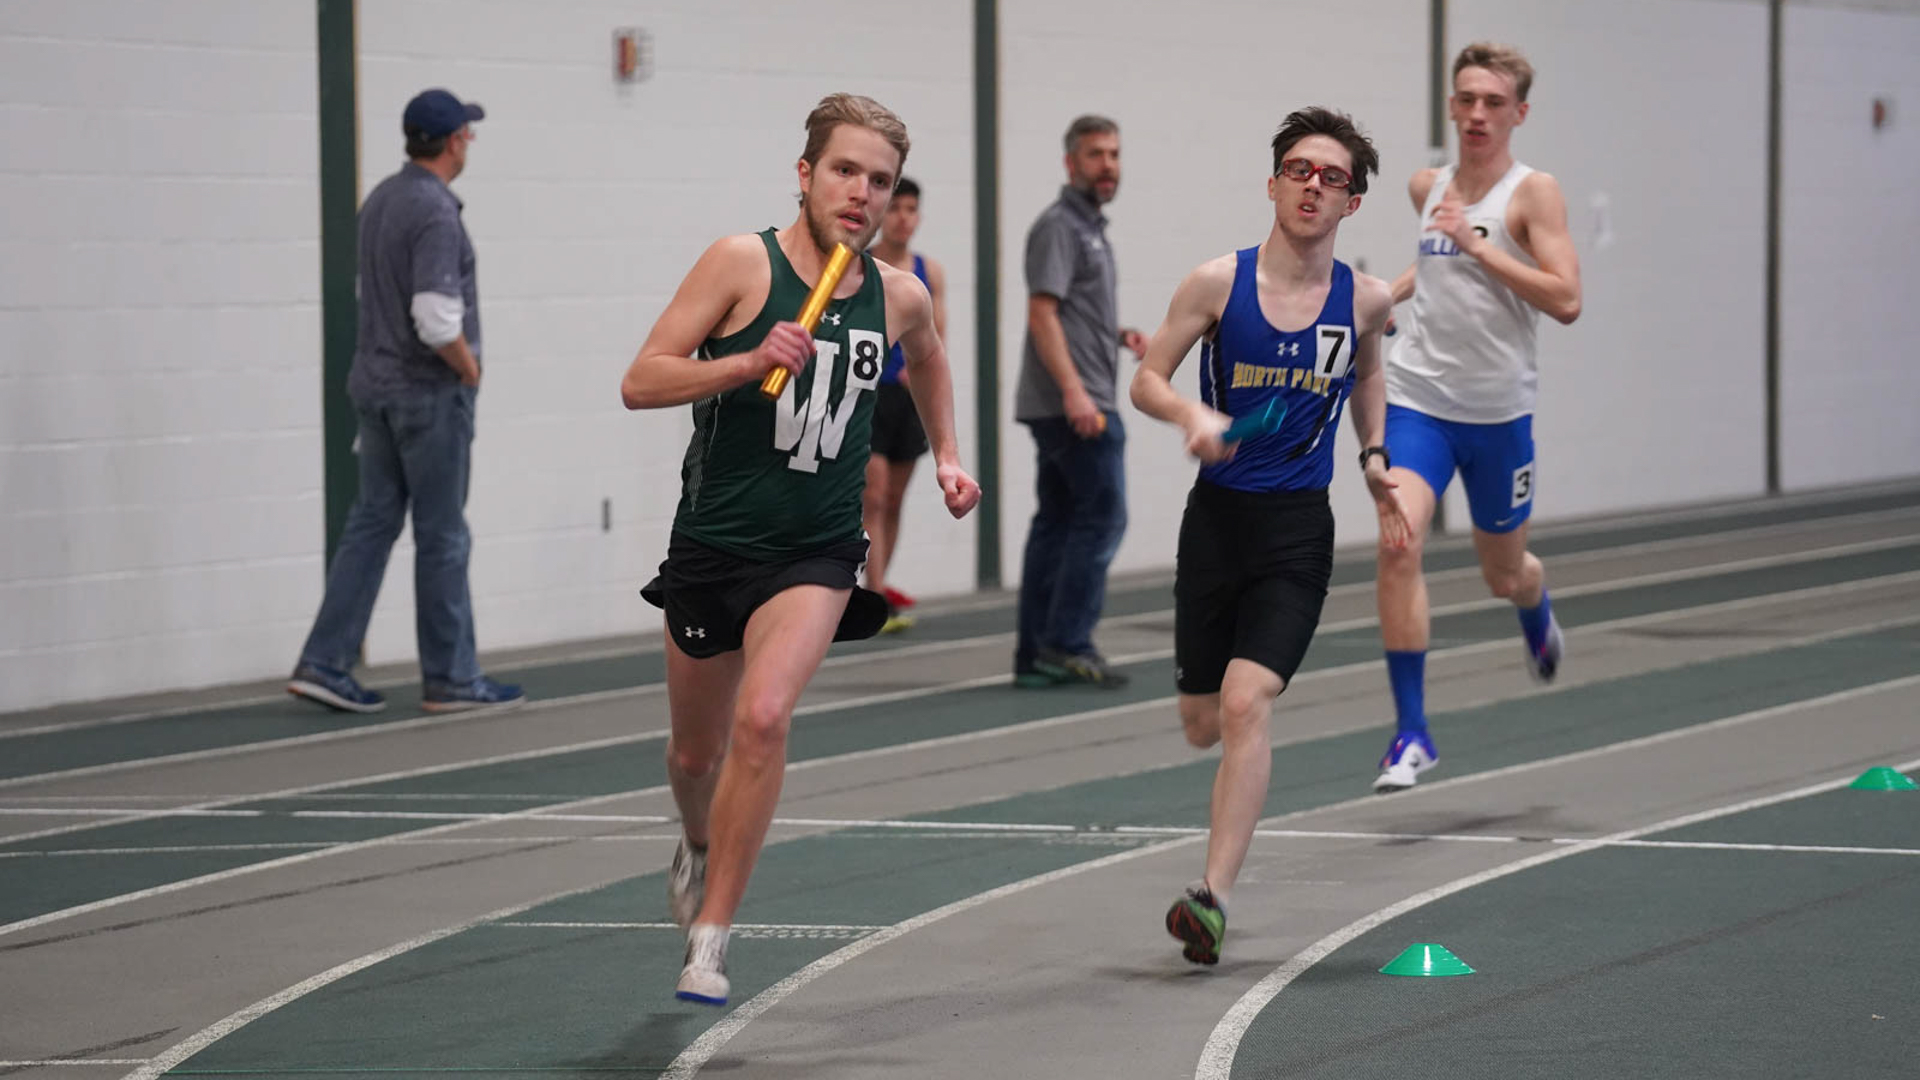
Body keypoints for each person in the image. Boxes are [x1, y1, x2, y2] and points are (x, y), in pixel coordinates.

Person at [619, 93, 981, 1006]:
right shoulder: (742, 264)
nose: (862, 194)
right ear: (806, 174)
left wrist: (947, 455)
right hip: (714, 543)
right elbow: (641, 380)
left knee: (766, 719)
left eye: (881, 181)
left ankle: (712, 940)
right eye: (846, 172)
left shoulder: (898, 293)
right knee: (694, 758)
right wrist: (743, 361)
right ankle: (698, 843)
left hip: (816, 550)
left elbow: (930, 356)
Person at [1132, 106, 1408, 965]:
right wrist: (1190, 411)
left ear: (1352, 203)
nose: (1312, 186)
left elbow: (1368, 372)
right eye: (1299, 170)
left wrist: (1372, 455)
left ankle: (1211, 897)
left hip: (1297, 530)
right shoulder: (1217, 283)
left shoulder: (1361, 298)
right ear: (1273, 183)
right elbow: (1145, 379)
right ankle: (1212, 838)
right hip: (1215, 524)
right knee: (1201, 721)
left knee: (1249, 704)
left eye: (1331, 178)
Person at [1372, 42, 1583, 793]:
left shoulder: (1534, 194)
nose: (1476, 114)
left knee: (1503, 574)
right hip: (1419, 400)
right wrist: (1378, 298)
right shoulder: (1426, 185)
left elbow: (1565, 300)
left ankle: (1535, 606)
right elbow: (1435, 267)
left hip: (1498, 418)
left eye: (1493, 102)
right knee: (1398, 542)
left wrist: (1480, 245)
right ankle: (1412, 733)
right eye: (1466, 99)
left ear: (1518, 113)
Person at [286, 88, 524, 716]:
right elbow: (436, 318)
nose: (469, 142)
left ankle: (325, 659)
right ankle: (450, 676)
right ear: (453, 142)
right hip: (427, 396)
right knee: (443, 535)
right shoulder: (436, 212)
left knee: (370, 524)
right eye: (467, 134)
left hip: (375, 389)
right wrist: (469, 372)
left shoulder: (382, 201)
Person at [1012, 114, 1148, 689]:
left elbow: (1070, 309)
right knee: (1102, 516)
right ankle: (1067, 641)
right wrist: (1075, 392)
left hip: (1075, 396)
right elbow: (1041, 313)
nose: (1108, 165)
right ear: (1071, 163)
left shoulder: (1089, 228)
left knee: (1060, 522)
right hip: (1077, 404)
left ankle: (1037, 652)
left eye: (1114, 154)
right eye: (1096, 155)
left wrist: (1115, 334)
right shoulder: (1061, 226)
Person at [862, 176, 947, 632]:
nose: (902, 219)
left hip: (907, 398)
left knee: (893, 499)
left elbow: (936, 339)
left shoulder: (927, 272)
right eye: (895, 208)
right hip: (869, 394)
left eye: (911, 210)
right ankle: (873, 595)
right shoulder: (864, 263)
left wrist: (915, 376)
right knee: (871, 495)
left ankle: (879, 582)